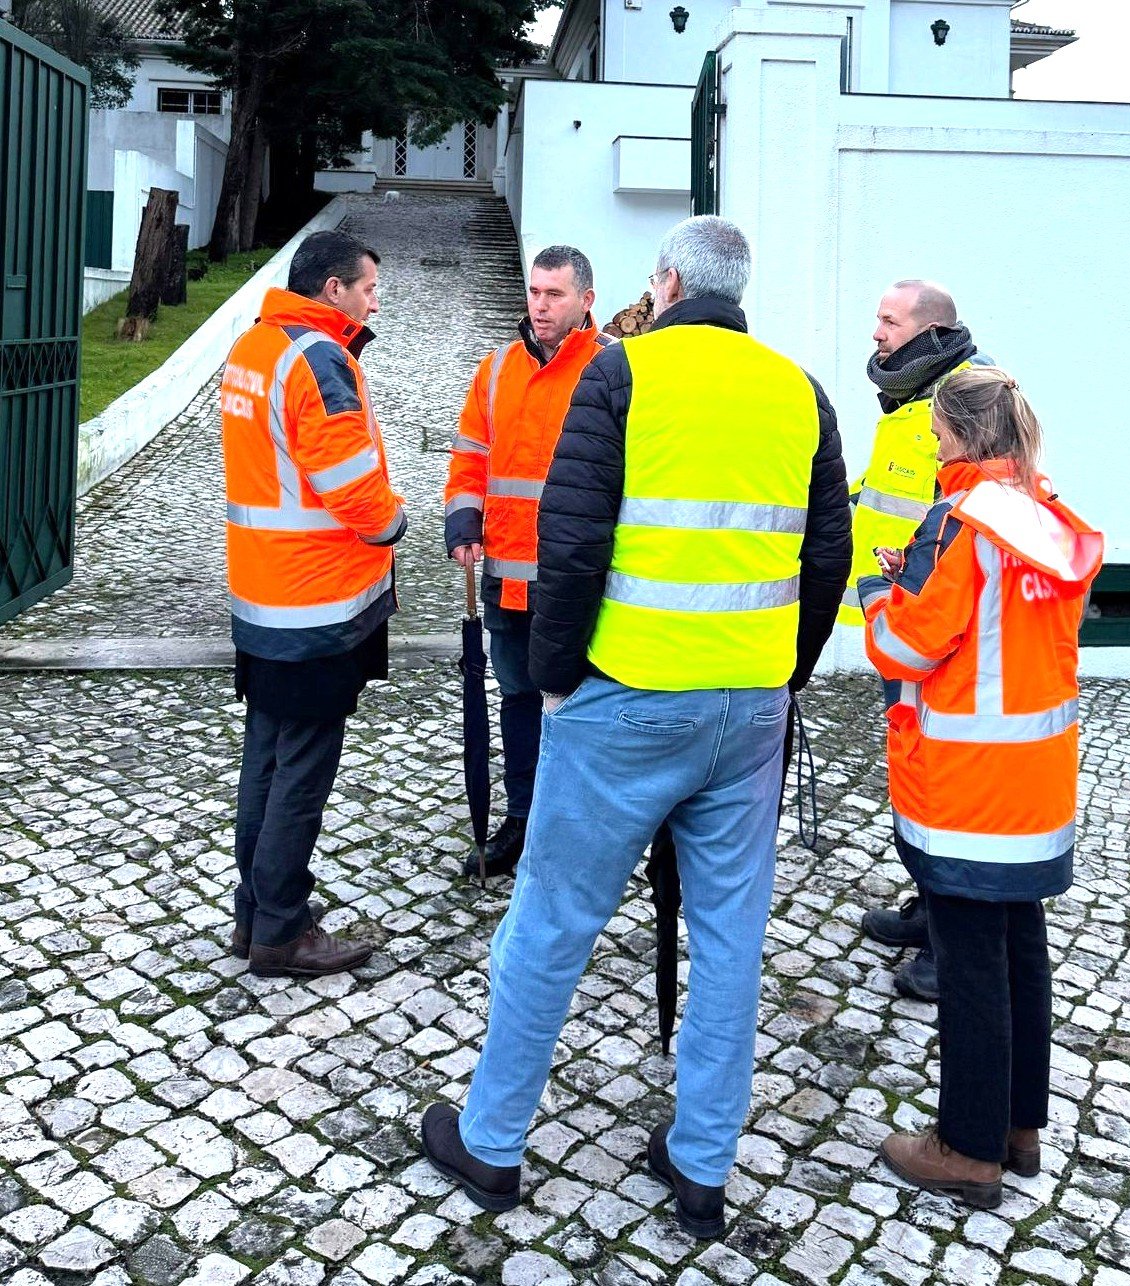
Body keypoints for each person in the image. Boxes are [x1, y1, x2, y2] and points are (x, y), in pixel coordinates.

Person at [420, 215, 852, 1238]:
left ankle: (492, 1141)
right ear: (739, 290)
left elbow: (570, 541)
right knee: (730, 942)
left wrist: (554, 680)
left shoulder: (620, 374)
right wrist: (783, 674)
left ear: (664, 282)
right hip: (748, 707)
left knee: (551, 921)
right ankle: (701, 1165)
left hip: (627, 697)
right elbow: (826, 555)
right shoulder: (801, 392)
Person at [859, 367, 1102, 1208]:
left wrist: (880, 594)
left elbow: (908, 648)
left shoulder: (961, 524)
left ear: (960, 436)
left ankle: (965, 1148)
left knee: (968, 969)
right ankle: (1016, 1128)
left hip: (965, 788)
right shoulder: (1045, 515)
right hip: (1033, 783)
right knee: (1020, 952)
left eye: (936, 436)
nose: (933, 450)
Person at [222, 229, 407, 978]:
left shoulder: (256, 346)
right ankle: (282, 930)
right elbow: (349, 484)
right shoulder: (319, 357)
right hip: (316, 603)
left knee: (265, 761)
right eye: (368, 288)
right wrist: (393, 522)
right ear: (333, 289)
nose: (373, 302)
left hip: (264, 596)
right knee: (301, 769)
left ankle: (255, 913)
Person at [844, 280, 992, 1003]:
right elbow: (884, 495)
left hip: (941, 633)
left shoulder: (968, 402)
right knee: (914, 777)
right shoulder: (912, 401)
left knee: (944, 788)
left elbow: (970, 515)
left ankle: (951, 944)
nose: (875, 333)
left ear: (929, 332)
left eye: (888, 321)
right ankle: (930, 906)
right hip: (905, 621)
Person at [444, 245, 610, 880]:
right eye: (535, 292)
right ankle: (521, 818)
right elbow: (470, 456)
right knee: (516, 698)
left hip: (578, 585)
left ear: (585, 301)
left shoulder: (610, 370)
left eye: (554, 295)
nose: (540, 305)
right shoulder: (496, 370)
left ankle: (576, 827)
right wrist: (463, 518)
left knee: (580, 706)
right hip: (506, 580)